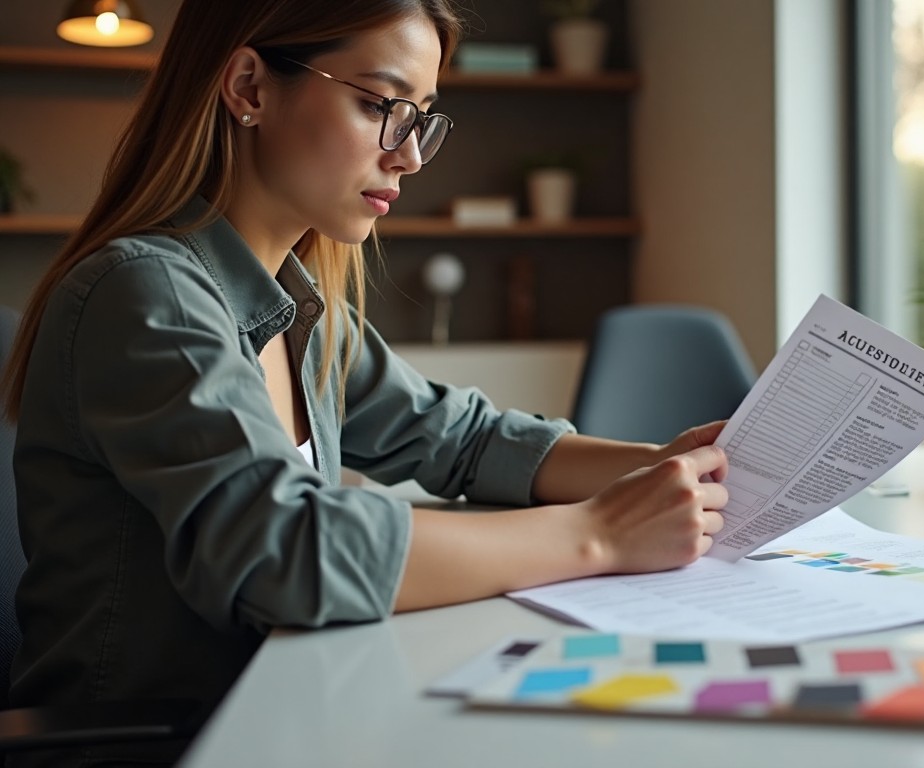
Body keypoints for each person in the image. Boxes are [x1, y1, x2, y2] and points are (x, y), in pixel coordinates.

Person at [0, 0, 728, 763]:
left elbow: (466, 439)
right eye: (382, 106)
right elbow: (284, 551)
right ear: (249, 87)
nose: (410, 156)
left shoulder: (297, 304)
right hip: (169, 742)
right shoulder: (147, 292)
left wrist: (663, 468)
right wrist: (600, 534)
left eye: (421, 119)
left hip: (283, 710)